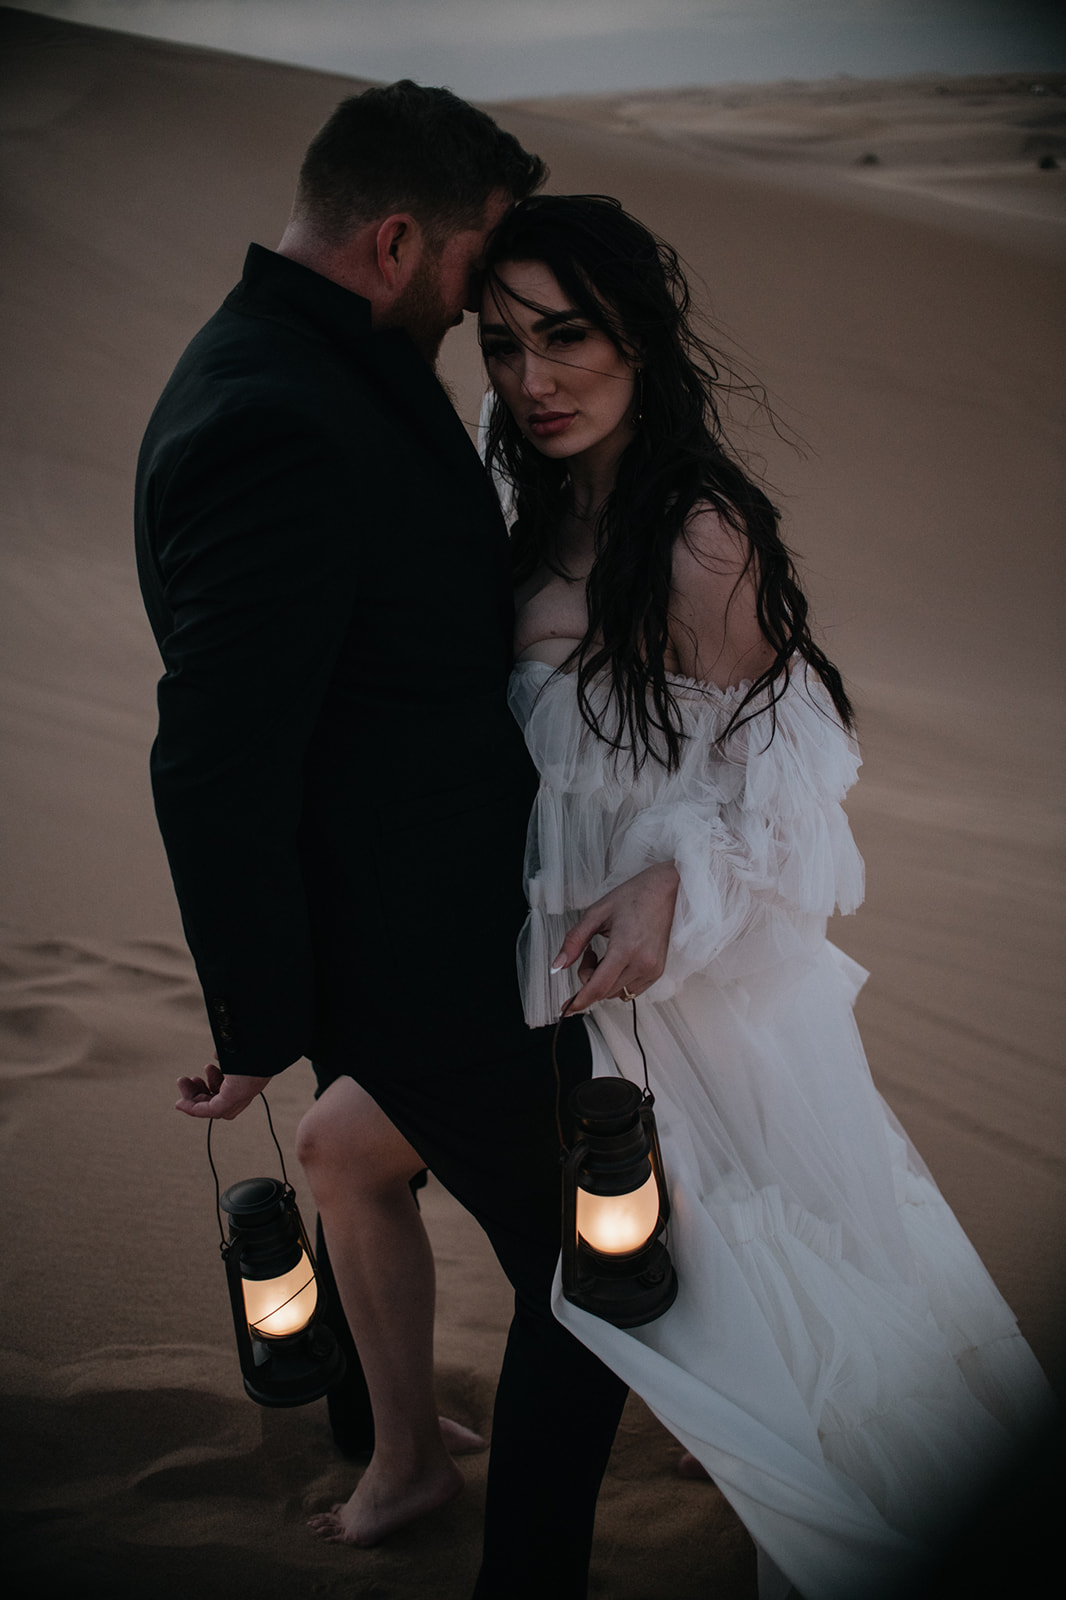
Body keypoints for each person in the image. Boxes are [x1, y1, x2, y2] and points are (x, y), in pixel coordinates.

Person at [134, 88, 683, 1600]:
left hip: (439, 925)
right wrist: (256, 1013)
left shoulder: (303, 359)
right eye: (472, 278)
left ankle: (399, 1449)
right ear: (393, 240)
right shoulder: (277, 414)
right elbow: (216, 752)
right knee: (582, 1283)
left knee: (401, 1178)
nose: (487, 322)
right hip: (433, 956)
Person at [475, 194, 1054, 1599]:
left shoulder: (697, 534)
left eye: (567, 338)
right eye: (499, 344)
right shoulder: (522, 498)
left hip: (696, 991)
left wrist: (674, 883)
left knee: (784, 1326)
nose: (532, 379)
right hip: (563, 967)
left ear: (639, 340)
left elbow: (780, 775)